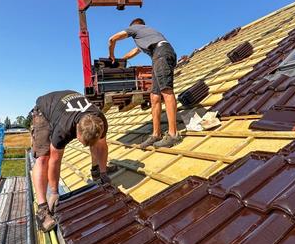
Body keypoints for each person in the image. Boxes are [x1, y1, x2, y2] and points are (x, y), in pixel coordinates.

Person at [31, 90, 110, 232]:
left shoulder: (100, 121)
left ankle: (97, 173)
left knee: (97, 144)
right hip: (44, 110)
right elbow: (55, 161)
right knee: (44, 158)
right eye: (83, 142)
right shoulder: (63, 129)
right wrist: (54, 192)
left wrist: (104, 174)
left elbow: (102, 147)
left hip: (65, 104)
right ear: (76, 131)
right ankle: (42, 210)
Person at [108, 18, 182, 149]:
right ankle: (156, 134)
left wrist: (112, 56)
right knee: (154, 97)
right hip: (159, 55)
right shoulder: (148, 35)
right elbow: (134, 51)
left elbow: (112, 39)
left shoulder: (135, 28)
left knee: (166, 91)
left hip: (161, 54)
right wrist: (122, 59)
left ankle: (173, 134)